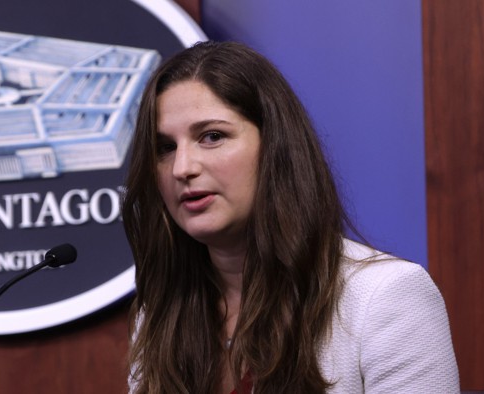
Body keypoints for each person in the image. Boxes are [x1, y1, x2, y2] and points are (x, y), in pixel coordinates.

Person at [121, 41, 459, 393]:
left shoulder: (385, 296)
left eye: (212, 136)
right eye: (165, 148)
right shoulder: (159, 314)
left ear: (276, 147)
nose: (182, 168)